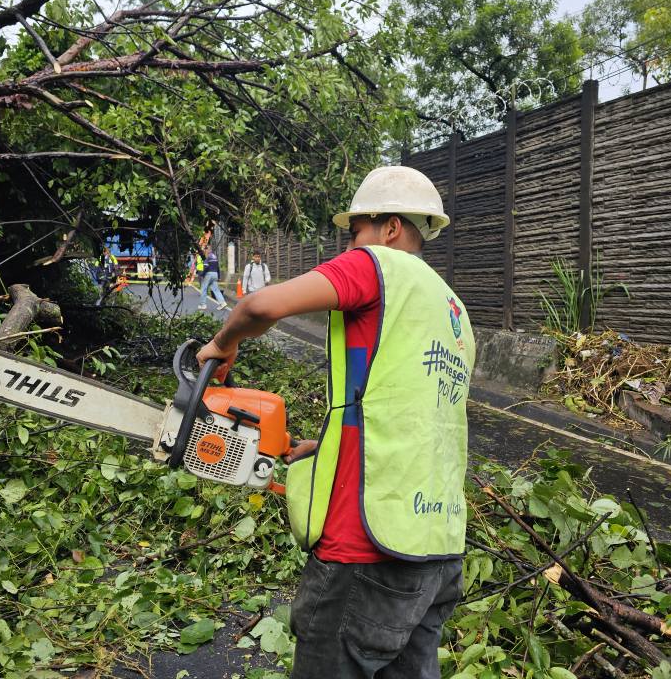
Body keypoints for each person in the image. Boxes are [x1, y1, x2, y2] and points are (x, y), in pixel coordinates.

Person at [197, 166, 475, 679]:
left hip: (365, 550)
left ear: (389, 227)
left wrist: (221, 345)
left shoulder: (375, 266)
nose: (351, 245)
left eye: (355, 232)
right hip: (438, 549)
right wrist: (326, 448)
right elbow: (401, 412)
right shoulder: (451, 307)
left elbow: (261, 305)